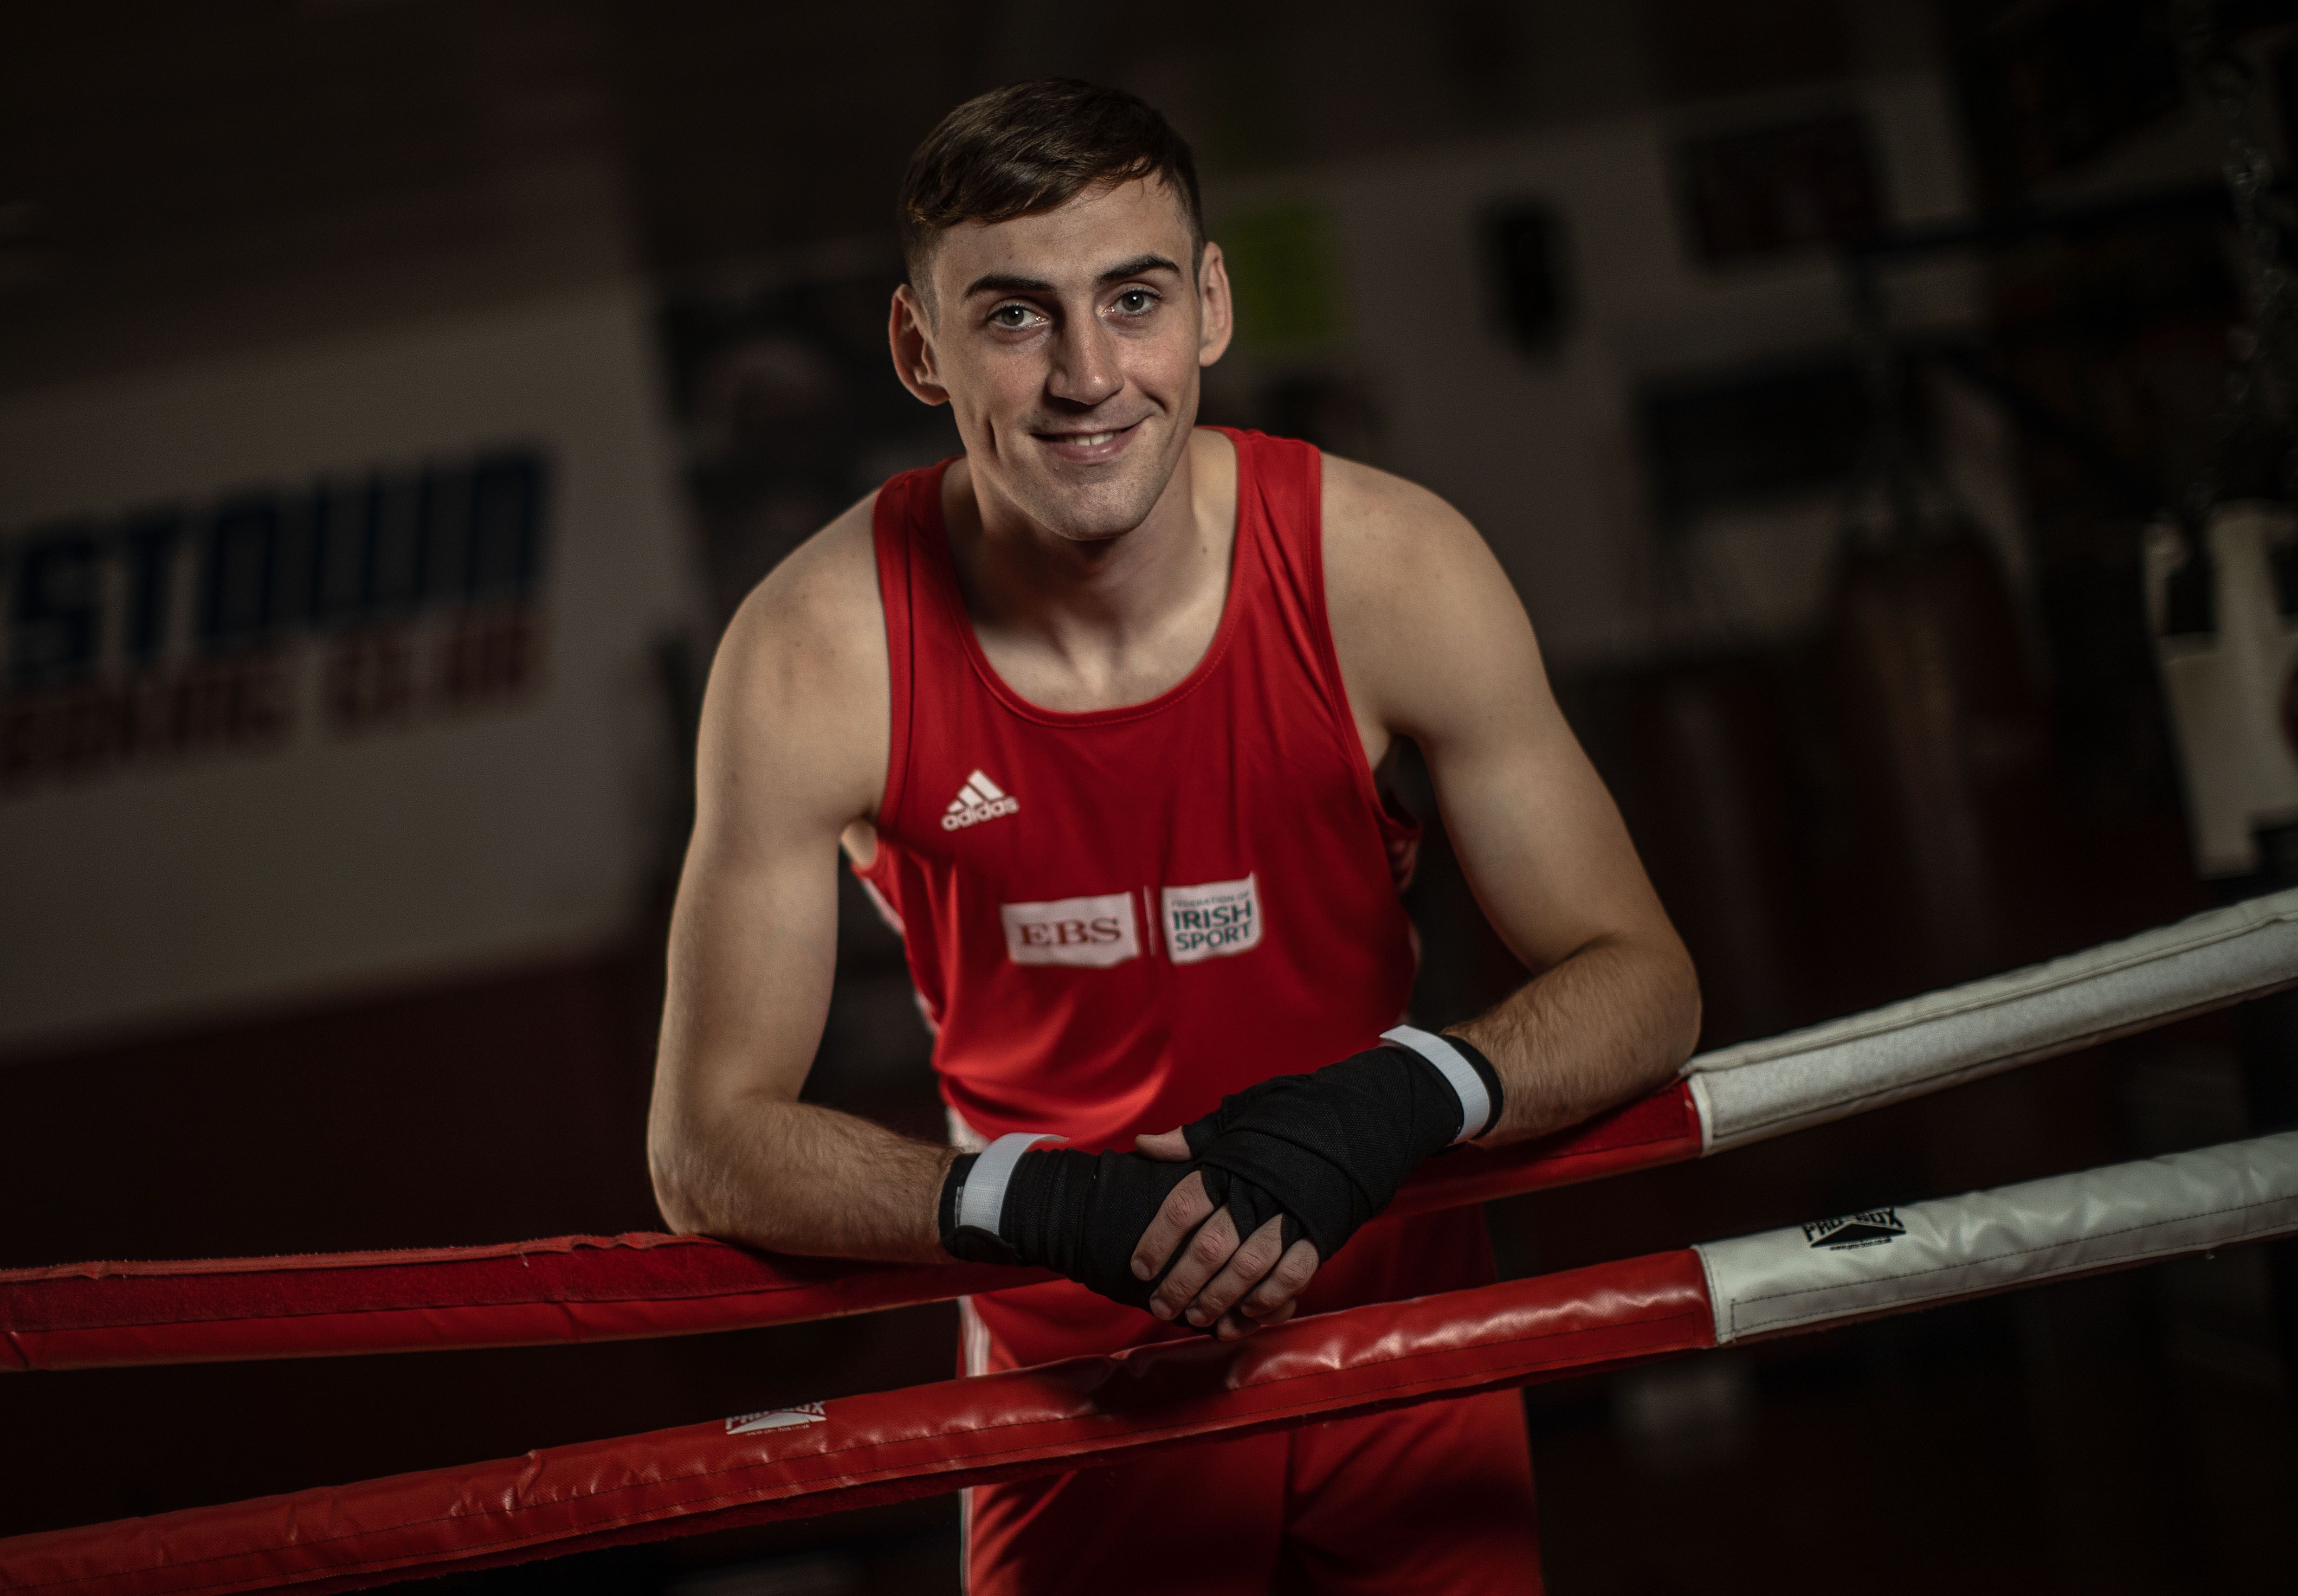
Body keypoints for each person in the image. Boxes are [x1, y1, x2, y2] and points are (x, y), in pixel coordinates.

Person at [647, 79, 1700, 1595]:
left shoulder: (1384, 566)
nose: (1089, 375)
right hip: (1065, 1366)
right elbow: (705, 1145)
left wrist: (1397, 1099)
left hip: (1389, 1316)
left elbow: (1648, 977)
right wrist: (1046, 1200)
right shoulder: (818, 651)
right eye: (1014, 317)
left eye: (1131, 299)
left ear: (1208, 304)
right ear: (917, 350)